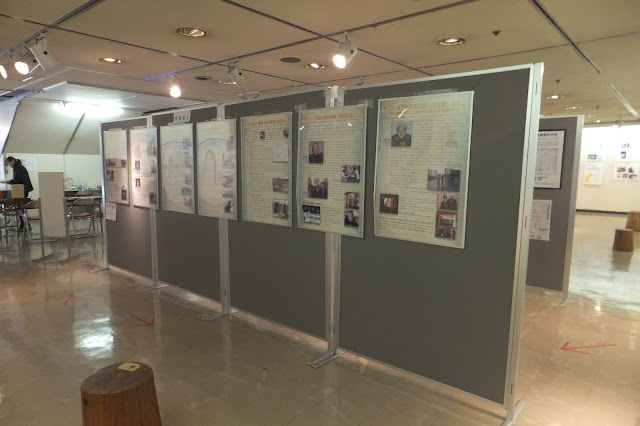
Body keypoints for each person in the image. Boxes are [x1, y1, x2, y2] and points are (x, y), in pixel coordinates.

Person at [2, 157, 34, 229]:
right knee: (20, 207)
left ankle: (23, 224)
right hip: (23, 189)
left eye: (9, 163)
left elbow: (18, 180)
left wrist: (9, 182)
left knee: (21, 206)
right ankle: (23, 224)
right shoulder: (18, 167)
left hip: (23, 189)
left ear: (12, 161)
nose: (9, 165)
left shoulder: (19, 168)